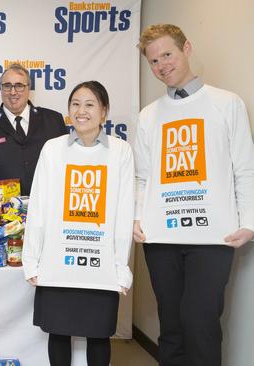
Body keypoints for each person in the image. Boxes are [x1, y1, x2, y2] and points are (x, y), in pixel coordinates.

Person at [133, 24, 254, 366]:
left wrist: (250, 221)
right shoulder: (148, 115)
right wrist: (137, 217)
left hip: (212, 236)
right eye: (154, 61)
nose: (162, 66)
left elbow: (245, 167)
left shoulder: (227, 103)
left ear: (186, 48)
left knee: (200, 322)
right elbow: (142, 177)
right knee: (171, 325)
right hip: (162, 237)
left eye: (167, 55)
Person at [23, 81, 134, 366]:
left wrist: (122, 267)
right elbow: (38, 207)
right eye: (75, 104)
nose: (81, 111)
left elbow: (124, 211)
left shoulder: (121, 152)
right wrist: (32, 259)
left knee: (99, 334)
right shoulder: (53, 148)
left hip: (101, 262)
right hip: (57, 260)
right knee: (58, 332)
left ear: (104, 111)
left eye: (89, 104)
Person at [0, 63, 68, 199]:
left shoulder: (53, 121)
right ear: (1, 89)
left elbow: (66, 167)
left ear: (29, 89)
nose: (13, 92)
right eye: (7, 86)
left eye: (19, 86)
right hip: (0, 215)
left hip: (47, 208)